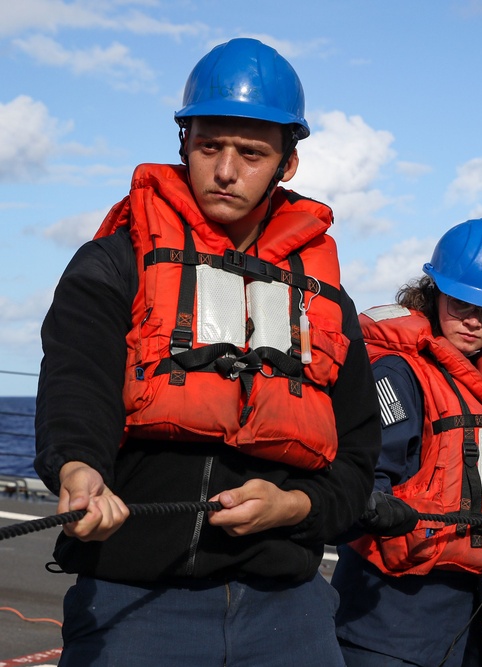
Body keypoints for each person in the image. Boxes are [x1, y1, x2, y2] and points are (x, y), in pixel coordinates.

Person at [32, 38, 381, 666]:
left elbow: (356, 464)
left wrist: (295, 506)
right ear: (182, 143)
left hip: (289, 609)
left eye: (251, 153)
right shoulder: (113, 263)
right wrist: (77, 469)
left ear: (288, 163)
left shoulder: (327, 303)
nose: (225, 170)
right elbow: (75, 387)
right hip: (133, 604)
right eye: (208, 146)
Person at [331, 218, 482, 667]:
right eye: (459, 304)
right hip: (389, 621)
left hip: (478, 623)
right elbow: (358, 481)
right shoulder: (398, 373)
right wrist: (375, 505)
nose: (472, 321)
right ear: (433, 295)